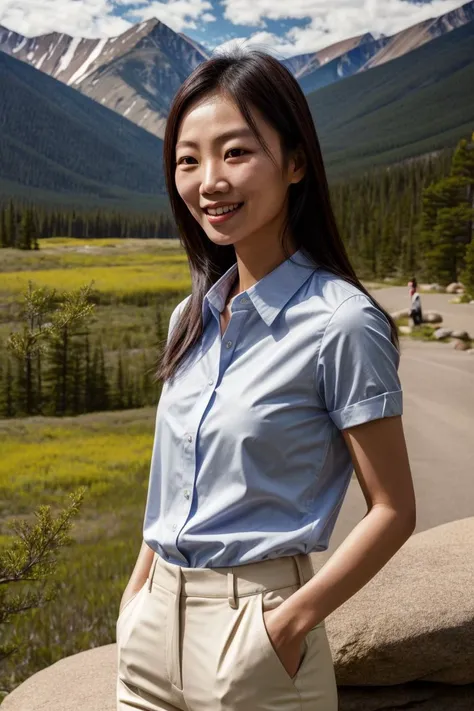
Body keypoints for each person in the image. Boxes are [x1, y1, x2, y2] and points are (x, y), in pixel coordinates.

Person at [116, 49, 416, 711]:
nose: (209, 181)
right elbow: (172, 479)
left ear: (296, 161)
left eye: (235, 153)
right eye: (188, 159)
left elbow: (393, 508)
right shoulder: (187, 319)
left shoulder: (341, 322)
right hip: (150, 635)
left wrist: (286, 624)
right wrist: (136, 596)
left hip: (255, 638)